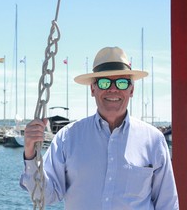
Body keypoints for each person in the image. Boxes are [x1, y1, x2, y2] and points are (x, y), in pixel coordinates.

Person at [20, 46, 179, 209]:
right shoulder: (67, 138)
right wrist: (30, 153)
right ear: (92, 89)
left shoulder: (153, 140)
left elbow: (167, 203)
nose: (113, 89)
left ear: (131, 90)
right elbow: (44, 196)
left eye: (122, 82)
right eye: (104, 82)